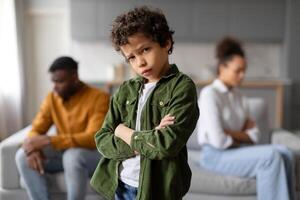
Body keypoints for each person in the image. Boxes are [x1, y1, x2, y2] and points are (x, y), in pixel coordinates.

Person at [90, 6, 199, 200]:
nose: (140, 62)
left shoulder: (182, 87)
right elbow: (102, 139)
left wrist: (123, 132)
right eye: (131, 57)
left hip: (158, 190)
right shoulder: (126, 89)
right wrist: (147, 138)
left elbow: (165, 145)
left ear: (166, 42)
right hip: (121, 185)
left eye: (145, 49)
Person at [196, 37, 295, 200]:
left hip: (236, 151)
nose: (242, 75)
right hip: (214, 156)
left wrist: (231, 133)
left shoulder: (240, 97)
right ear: (222, 68)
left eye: (244, 70)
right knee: (270, 156)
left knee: (286, 153)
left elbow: (254, 136)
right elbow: (218, 140)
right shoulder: (210, 94)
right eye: (238, 70)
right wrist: (242, 135)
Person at [15, 56, 110, 200]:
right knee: (22, 155)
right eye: (53, 81)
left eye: (60, 81)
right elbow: (36, 128)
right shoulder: (52, 98)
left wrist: (50, 140)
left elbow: (93, 137)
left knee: (72, 155)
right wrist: (32, 148)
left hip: (93, 156)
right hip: (64, 154)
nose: (54, 86)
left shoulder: (99, 97)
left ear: (75, 77)